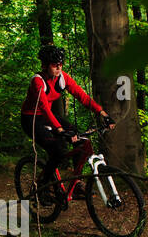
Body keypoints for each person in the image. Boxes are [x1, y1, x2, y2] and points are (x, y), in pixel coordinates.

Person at [21, 44, 114, 207]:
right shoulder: (38, 81)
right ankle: (42, 187)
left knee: (80, 140)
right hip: (32, 119)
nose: (59, 68)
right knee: (57, 150)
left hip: (47, 117)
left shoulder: (63, 78)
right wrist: (60, 130)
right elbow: (43, 107)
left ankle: (76, 184)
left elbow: (82, 97)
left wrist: (103, 113)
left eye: (61, 64)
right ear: (45, 65)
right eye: (54, 65)